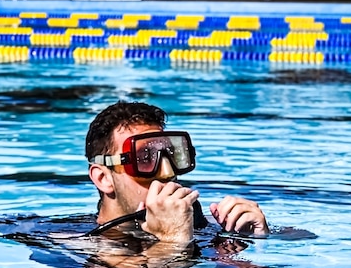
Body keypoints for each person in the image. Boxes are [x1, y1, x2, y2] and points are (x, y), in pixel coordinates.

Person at [85, 101, 270, 248]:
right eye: (145, 158)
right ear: (103, 178)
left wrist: (255, 238)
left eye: (173, 155)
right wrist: (172, 242)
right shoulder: (76, 244)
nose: (167, 172)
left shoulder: (200, 227)